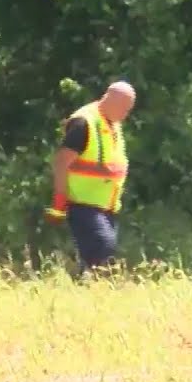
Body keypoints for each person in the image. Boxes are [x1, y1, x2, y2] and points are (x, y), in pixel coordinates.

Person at [44, 81, 136, 273]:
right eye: (124, 108)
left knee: (101, 256)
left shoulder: (112, 123)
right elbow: (61, 162)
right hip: (83, 203)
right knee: (102, 251)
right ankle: (93, 291)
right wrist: (59, 201)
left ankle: (84, 291)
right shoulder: (84, 123)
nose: (126, 114)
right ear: (110, 99)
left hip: (106, 205)